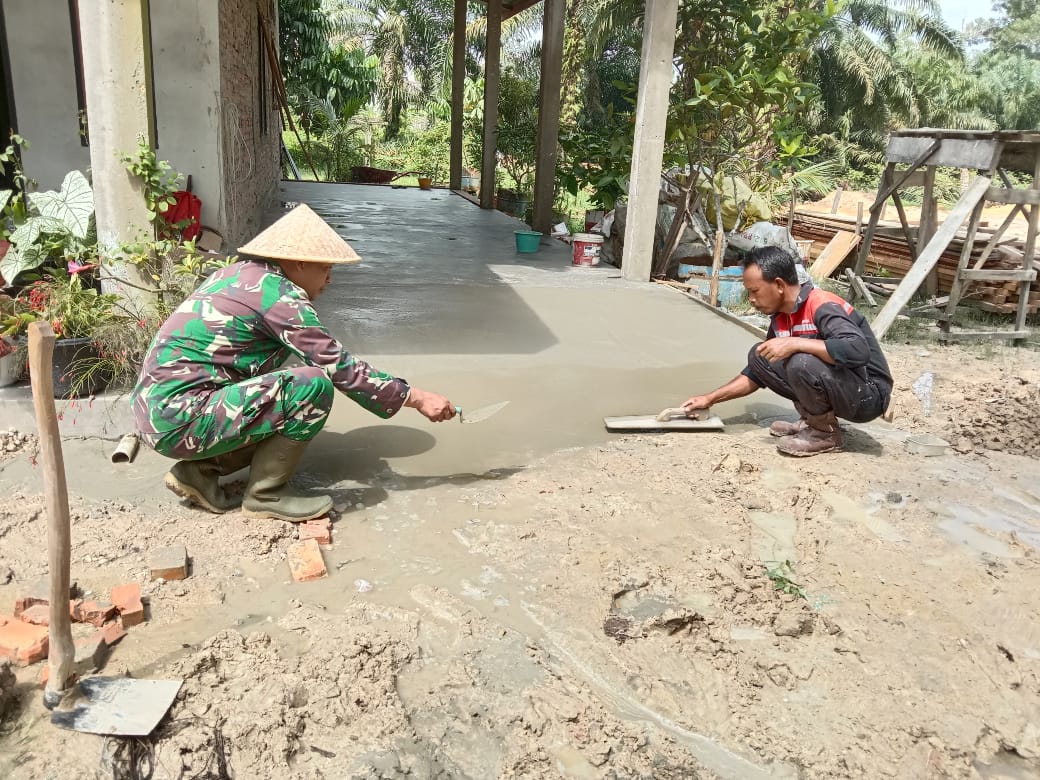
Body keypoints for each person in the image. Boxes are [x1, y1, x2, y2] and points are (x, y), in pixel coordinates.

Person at [131, 204, 456, 521]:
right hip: (180, 419)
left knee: (283, 383)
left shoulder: (237, 275)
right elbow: (339, 367)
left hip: (161, 413)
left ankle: (198, 472)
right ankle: (265, 497)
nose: (329, 280)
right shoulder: (279, 297)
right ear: (299, 262)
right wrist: (417, 397)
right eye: (326, 269)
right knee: (311, 387)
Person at [681, 246, 892, 457]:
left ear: (779, 285)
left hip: (868, 396)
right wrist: (710, 398)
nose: (751, 299)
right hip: (844, 388)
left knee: (800, 361)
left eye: (755, 291)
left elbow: (857, 350)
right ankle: (812, 421)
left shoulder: (821, 305)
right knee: (760, 355)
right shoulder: (782, 317)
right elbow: (757, 373)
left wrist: (795, 343)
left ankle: (824, 434)